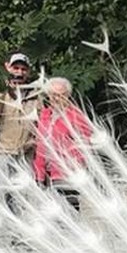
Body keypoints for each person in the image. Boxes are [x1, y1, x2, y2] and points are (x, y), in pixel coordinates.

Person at [0, 52, 40, 212]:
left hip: (26, 152)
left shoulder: (35, 94)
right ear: (8, 67)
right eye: (16, 68)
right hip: (3, 150)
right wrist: (2, 88)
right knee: (1, 193)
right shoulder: (0, 90)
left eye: (23, 69)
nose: (19, 72)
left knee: (24, 195)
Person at [32, 77, 92, 212]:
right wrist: (39, 173)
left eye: (61, 95)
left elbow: (85, 145)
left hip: (66, 172)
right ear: (48, 96)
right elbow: (40, 145)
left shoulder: (76, 116)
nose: (57, 98)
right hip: (45, 174)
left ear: (68, 96)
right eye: (53, 95)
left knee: (67, 212)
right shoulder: (45, 115)